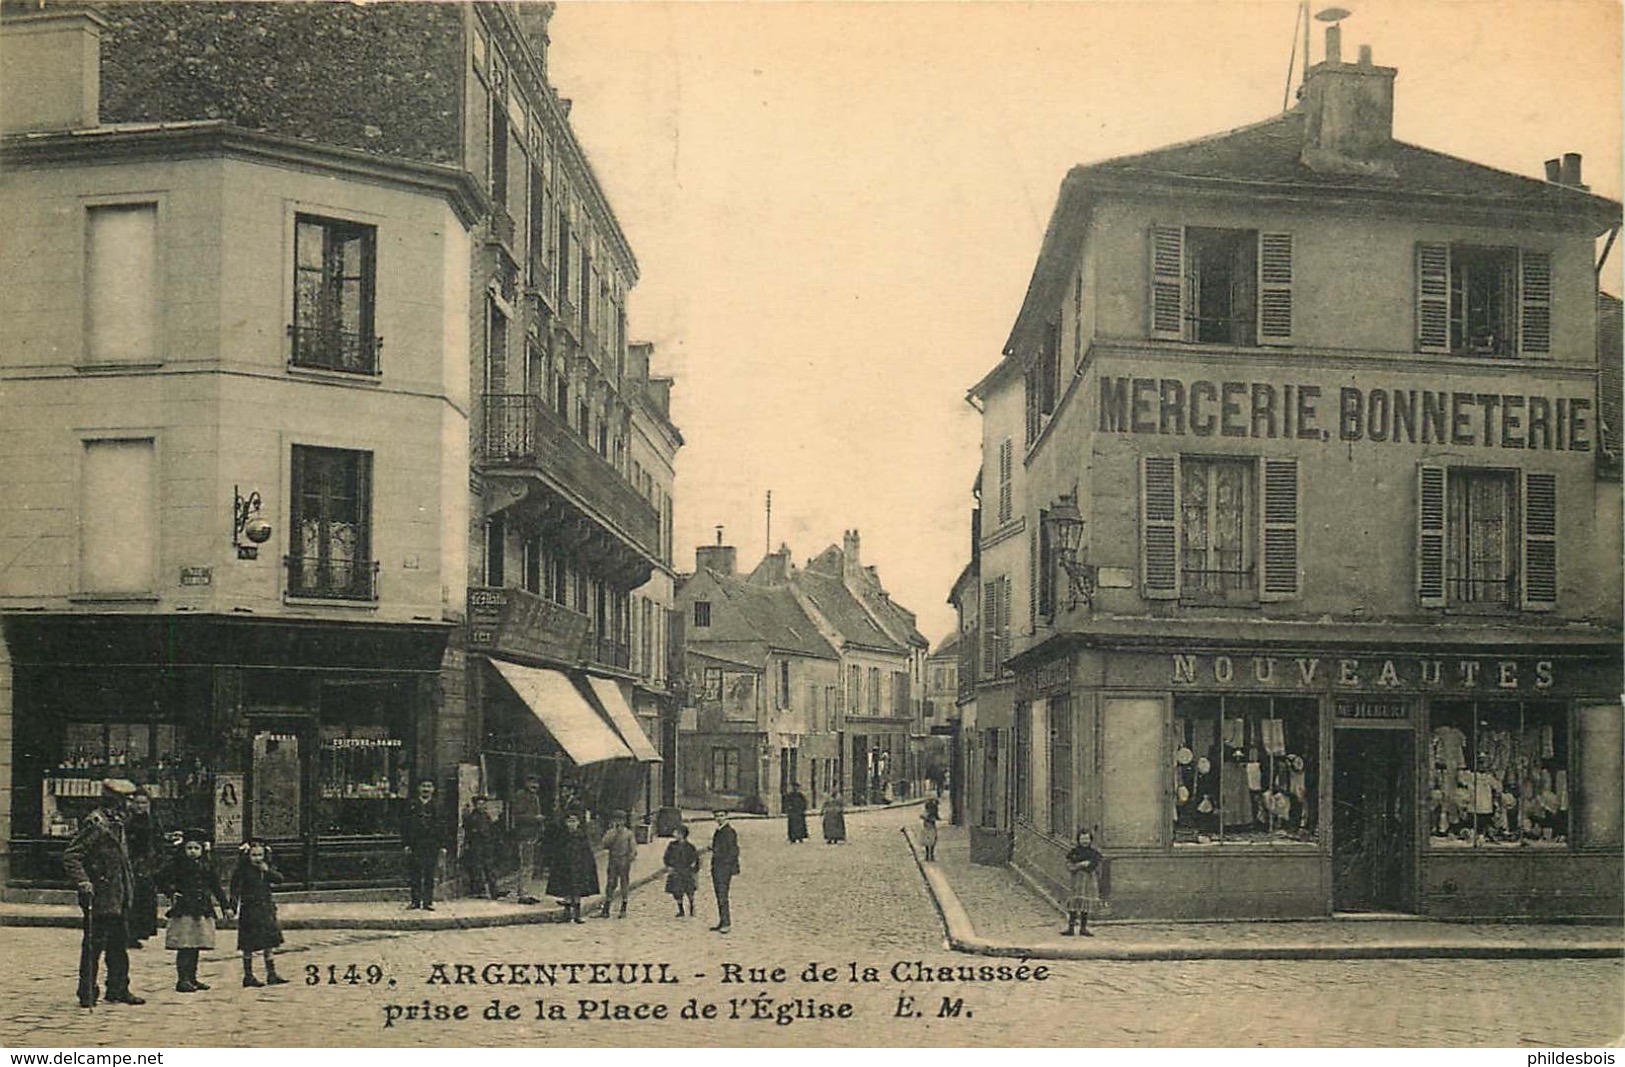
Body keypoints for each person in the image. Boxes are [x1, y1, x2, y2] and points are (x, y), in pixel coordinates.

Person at [63, 778, 144, 1008]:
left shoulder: (118, 822)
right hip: (99, 895)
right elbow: (72, 856)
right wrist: (84, 882)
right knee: (93, 946)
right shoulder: (96, 824)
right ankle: (87, 991)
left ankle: (118, 989)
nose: (130, 804)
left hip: (118, 894)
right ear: (114, 799)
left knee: (119, 945)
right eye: (126, 799)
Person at [160, 827, 232, 993]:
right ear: (184, 849)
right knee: (185, 944)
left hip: (201, 908)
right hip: (184, 908)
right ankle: (182, 979)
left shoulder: (207, 865)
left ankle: (192, 977)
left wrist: (225, 906)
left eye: (196, 848)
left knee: (196, 945)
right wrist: (171, 892)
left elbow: (216, 887)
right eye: (189, 848)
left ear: (202, 849)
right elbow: (160, 877)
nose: (192, 852)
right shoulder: (177, 864)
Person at [229, 839, 288, 987]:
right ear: (247, 856)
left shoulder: (266, 869)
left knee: (269, 942)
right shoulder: (242, 871)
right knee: (248, 944)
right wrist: (232, 907)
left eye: (260, 855)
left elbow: (280, 879)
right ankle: (248, 976)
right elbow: (235, 889)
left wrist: (267, 870)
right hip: (249, 909)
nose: (257, 858)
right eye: (254, 855)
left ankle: (271, 974)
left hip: (266, 909)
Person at [124, 786, 162, 950]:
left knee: (143, 900)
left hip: (146, 864)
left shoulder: (153, 821)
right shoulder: (127, 820)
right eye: (137, 803)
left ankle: (138, 932)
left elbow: (158, 841)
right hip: (130, 863)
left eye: (144, 803)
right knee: (128, 899)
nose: (140, 806)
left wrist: (156, 861)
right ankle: (127, 934)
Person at [546, 810, 598, 923]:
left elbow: (587, 854)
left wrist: (587, 867)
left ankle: (577, 915)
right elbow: (557, 853)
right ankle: (567, 914)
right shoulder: (562, 837)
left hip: (578, 867)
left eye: (574, 821)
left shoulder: (582, 837)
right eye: (569, 821)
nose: (571, 824)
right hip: (565, 867)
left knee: (577, 891)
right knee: (566, 891)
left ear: (578, 823)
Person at [401, 778, 445, 911]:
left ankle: (428, 902)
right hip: (415, 844)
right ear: (418, 788)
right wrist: (406, 844)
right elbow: (405, 826)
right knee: (415, 873)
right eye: (423, 786)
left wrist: (442, 846)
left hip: (432, 844)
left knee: (429, 874)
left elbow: (443, 827)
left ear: (433, 789)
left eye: (429, 786)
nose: (426, 789)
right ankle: (415, 901)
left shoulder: (438, 806)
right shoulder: (411, 805)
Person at [1062, 828, 1107, 937]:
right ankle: (1071, 928)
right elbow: (1069, 866)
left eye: (1087, 839)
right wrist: (1080, 865)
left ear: (1090, 840)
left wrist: (1091, 867)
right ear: (1078, 840)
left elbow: (1097, 866)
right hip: (1077, 880)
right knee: (1074, 904)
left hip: (1089, 880)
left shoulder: (1094, 853)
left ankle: (1083, 928)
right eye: (1082, 839)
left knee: (1085, 905)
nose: (1085, 841)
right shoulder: (1074, 852)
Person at [509, 775, 544, 901]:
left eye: (536, 783)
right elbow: (517, 816)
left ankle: (526, 891)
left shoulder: (535, 797)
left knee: (530, 864)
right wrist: (535, 818)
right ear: (526, 783)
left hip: (533, 834)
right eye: (531, 782)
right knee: (525, 864)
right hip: (524, 833)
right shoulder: (521, 796)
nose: (534, 785)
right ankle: (523, 893)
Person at [461, 795, 503, 900]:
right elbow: (468, 831)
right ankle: (479, 890)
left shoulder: (486, 816)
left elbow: (491, 829)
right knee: (478, 868)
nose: (481, 806)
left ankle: (494, 891)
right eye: (479, 804)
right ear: (475, 805)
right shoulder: (472, 817)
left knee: (489, 868)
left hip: (487, 844)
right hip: (477, 845)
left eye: (483, 803)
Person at [599, 811, 637, 918]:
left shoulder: (628, 833)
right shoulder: (610, 832)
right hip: (613, 860)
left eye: (621, 820)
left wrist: (630, 857)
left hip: (624, 860)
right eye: (616, 820)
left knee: (624, 883)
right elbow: (604, 844)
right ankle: (606, 909)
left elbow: (633, 848)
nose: (618, 822)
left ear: (624, 821)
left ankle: (623, 908)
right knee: (611, 883)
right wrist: (613, 833)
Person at [708, 810, 740, 934]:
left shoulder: (729, 832)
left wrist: (728, 866)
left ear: (727, 816)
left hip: (723, 868)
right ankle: (722, 921)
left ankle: (726, 923)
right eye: (717, 816)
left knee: (722, 895)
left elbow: (733, 851)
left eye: (722, 816)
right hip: (717, 866)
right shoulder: (719, 830)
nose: (719, 818)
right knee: (719, 894)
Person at [661, 824, 699, 918]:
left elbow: (695, 860)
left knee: (689, 891)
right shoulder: (672, 845)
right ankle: (681, 910)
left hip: (686, 872)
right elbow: (666, 857)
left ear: (682, 834)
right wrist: (668, 866)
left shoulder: (690, 847)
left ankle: (691, 906)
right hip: (675, 871)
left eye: (676, 832)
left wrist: (693, 870)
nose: (674, 834)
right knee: (677, 892)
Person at [919, 798, 940, 862]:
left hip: (927, 828)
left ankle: (928, 855)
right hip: (930, 828)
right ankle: (931, 855)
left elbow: (922, 816)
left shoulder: (927, 813)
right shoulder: (929, 813)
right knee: (931, 842)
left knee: (928, 842)